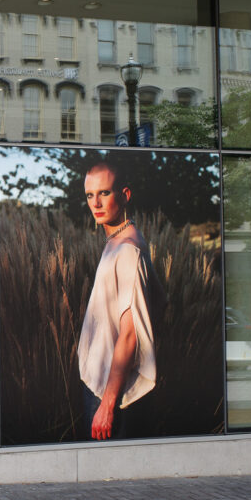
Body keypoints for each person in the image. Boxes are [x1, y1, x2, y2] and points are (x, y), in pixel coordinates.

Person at [77, 161, 158, 441]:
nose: (96, 203)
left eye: (105, 193)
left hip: (111, 393)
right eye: (90, 195)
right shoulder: (116, 241)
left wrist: (108, 405)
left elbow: (129, 335)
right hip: (102, 384)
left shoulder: (127, 250)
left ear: (124, 194)